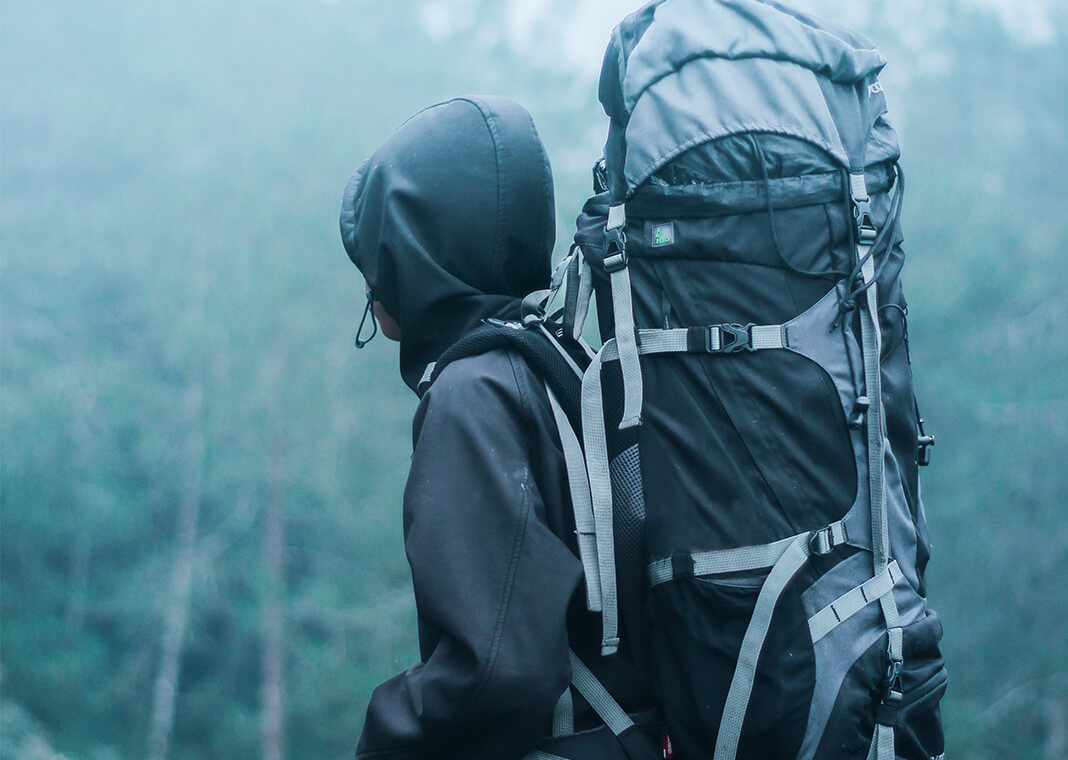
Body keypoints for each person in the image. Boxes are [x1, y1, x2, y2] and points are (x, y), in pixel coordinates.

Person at [339, 95, 657, 760]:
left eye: (378, 254)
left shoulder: (471, 395)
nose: (371, 287)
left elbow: (493, 671)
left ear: (416, 254)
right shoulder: (563, 359)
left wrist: (379, 743)